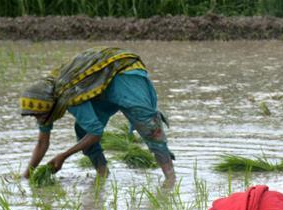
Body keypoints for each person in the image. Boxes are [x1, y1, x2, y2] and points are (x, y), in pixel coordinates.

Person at [19, 47, 175, 186]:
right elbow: (42, 142)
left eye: (39, 115)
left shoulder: (68, 95)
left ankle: (170, 179)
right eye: (34, 116)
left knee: (148, 126)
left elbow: (96, 133)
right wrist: (26, 176)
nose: (38, 119)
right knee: (82, 129)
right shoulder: (46, 102)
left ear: (50, 107)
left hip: (123, 72)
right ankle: (102, 174)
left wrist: (63, 156)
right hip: (102, 85)